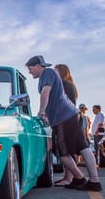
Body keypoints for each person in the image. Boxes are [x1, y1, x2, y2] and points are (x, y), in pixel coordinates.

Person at [25, 55, 101, 191]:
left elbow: (45, 93)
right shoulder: (49, 75)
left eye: (30, 69)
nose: (29, 72)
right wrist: (48, 115)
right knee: (84, 148)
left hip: (63, 118)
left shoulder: (47, 73)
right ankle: (94, 181)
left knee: (59, 150)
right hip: (73, 115)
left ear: (37, 66)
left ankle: (79, 178)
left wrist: (41, 111)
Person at [53, 64, 78, 186]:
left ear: (61, 72)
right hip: (70, 119)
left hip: (64, 119)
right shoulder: (69, 84)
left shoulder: (63, 84)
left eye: (56, 70)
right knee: (68, 149)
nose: (53, 72)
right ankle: (67, 177)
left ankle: (70, 178)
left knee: (64, 149)